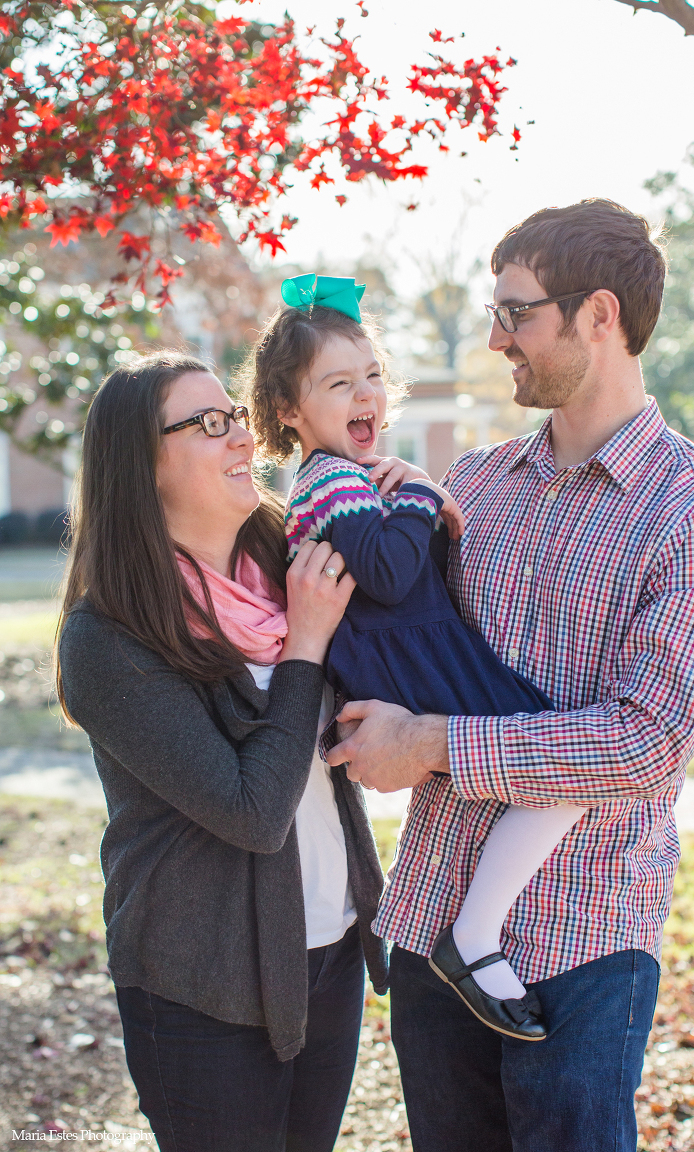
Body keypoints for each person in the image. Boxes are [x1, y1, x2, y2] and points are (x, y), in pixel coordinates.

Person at [325, 200, 694, 1152]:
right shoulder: (471, 488)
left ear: (598, 316)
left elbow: (645, 743)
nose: (495, 337)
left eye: (517, 313)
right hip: (433, 919)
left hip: (585, 940)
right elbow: (397, 634)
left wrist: (432, 742)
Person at [238, 273, 587, 1042]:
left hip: (418, 651)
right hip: (406, 664)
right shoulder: (330, 481)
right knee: (563, 762)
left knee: (556, 764)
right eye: (338, 384)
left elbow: (405, 562)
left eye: (372, 377)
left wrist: (415, 499)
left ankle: (476, 931)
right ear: (291, 413)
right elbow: (393, 575)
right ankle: (474, 934)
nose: (365, 396)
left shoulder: (354, 478)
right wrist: (425, 493)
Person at [55, 351, 388, 1152]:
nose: (241, 436)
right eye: (207, 424)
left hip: (331, 946)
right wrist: (305, 647)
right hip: (201, 980)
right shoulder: (108, 638)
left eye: (234, 415)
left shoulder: (289, 563)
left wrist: (404, 491)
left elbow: (412, 617)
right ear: (145, 465)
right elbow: (250, 811)